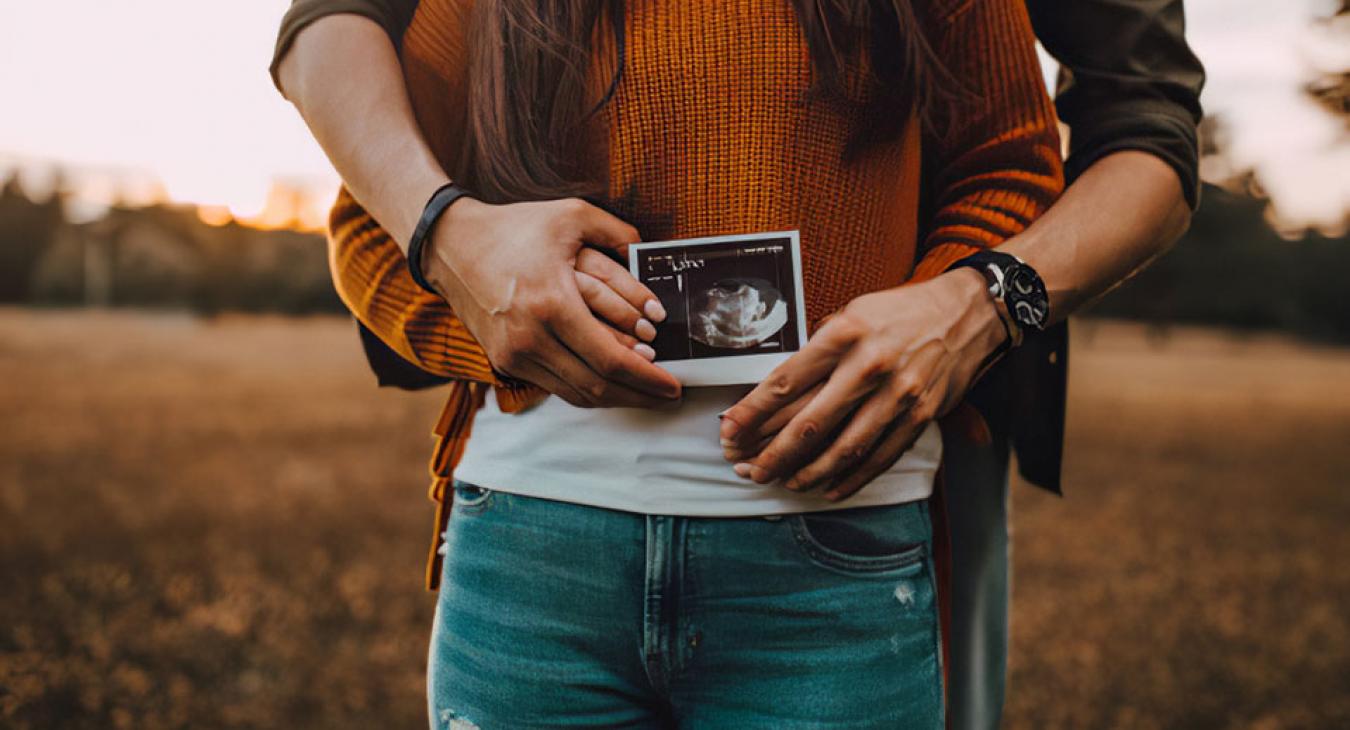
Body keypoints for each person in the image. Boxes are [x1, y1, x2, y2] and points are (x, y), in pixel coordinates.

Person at [271, 1, 1196, 728]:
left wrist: (952, 308)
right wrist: (498, 318)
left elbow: (1011, 161)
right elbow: (373, 214)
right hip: (532, 548)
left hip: (837, 553)